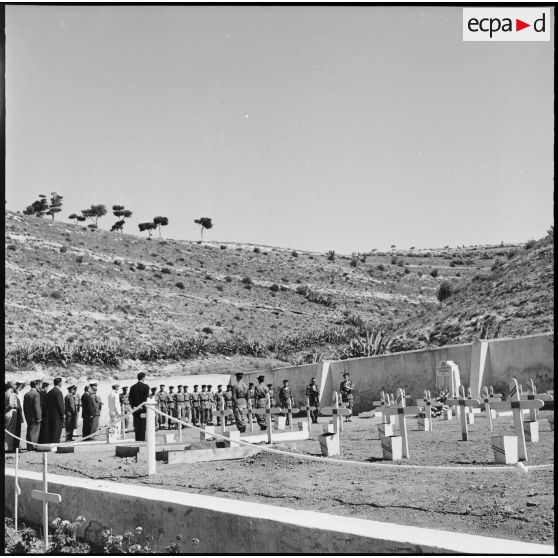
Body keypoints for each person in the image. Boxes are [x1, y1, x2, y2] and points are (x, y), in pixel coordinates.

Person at [129, 372, 150, 441]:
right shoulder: (146, 387)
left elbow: (130, 399)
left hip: (135, 410)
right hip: (143, 409)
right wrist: (142, 406)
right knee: (143, 426)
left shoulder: (132, 387)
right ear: (143, 378)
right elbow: (146, 398)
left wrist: (133, 407)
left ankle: (137, 440)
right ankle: (142, 440)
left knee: (137, 426)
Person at [23, 381, 42, 450]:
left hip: (28, 416)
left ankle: (29, 446)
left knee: (29, 431)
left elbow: (24, 407)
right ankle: (33, 446)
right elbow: (37, 407)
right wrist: (38, 417)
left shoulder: (26, 394)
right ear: (36, 385)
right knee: (35, 432)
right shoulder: (36, 394)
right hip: (35, 417)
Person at [5, 382, 21, 452]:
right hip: (11, 412)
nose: (16, 386)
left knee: (8, 430)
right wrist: (15, 406)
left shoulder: (6, 392)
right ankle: (9, 447)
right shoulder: (11, 392)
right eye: (15, 385)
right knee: (11, 430)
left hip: (6, 412)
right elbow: (11, 404)